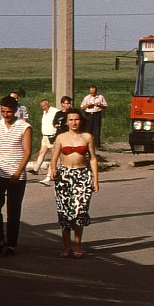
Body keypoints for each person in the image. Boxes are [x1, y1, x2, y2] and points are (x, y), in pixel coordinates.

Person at [0, 95, 33, 257]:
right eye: (3, 111)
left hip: (16, 176)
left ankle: (11, 244)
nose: (5, 115)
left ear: (15, 111)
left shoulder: (24, 127)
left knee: (13, 211)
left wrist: (18, 173)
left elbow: (28, 152)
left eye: (8, 112)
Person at [48, 109, 99, 258]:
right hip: (64, 176)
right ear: (66, 121)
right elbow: (54, 157)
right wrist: (53, 170)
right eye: (70, 120)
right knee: (64, 212)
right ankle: (66, 247)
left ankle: (78, 246)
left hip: (82, 175)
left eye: (76, 119)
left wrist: (95, 180)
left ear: (81, 120)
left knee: (79, 211)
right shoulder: (61, 138)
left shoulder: (87, 137)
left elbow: (93, 159)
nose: (74, 122)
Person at [29, 98, 64, 179]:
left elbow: (57, 121)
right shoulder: (44, 112)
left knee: (53, 154)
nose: (43, 107)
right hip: (45, 135)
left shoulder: (54, 111)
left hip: (52, 135)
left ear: (48, 104)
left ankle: (52, 172)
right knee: (42, 152)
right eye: (41, 106)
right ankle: (36, 169)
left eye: (44, 106)